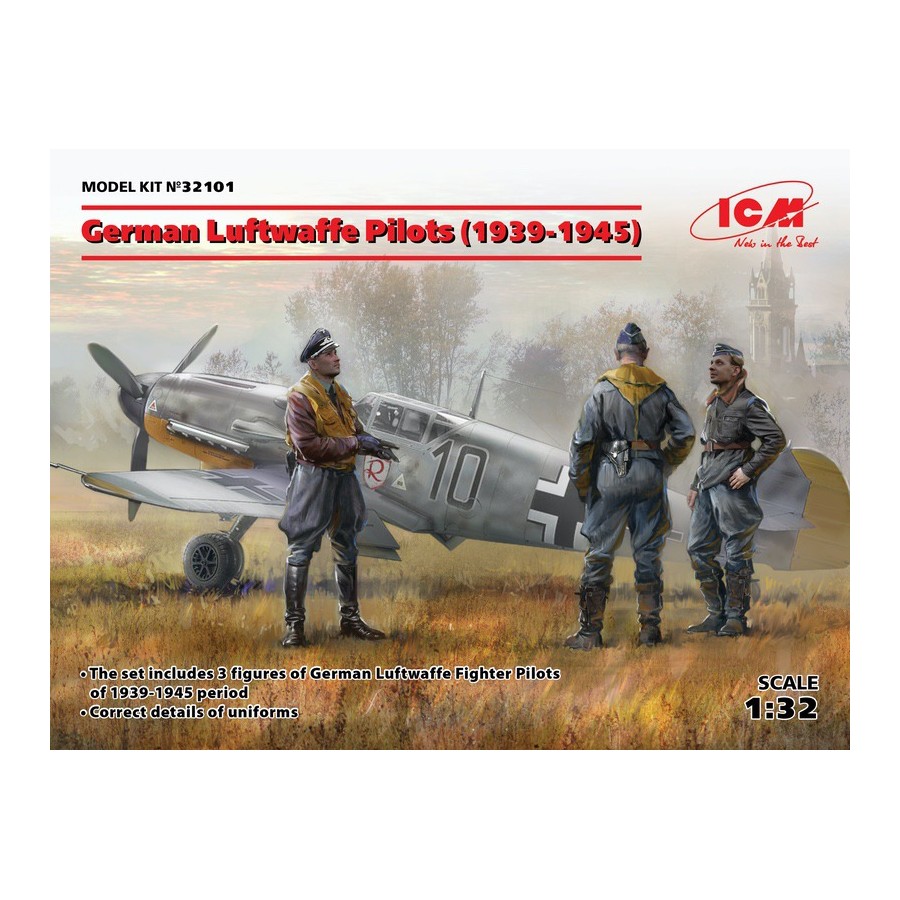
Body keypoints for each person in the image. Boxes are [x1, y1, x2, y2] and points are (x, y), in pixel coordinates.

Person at [567, 323, 695, 649]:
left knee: (599, 555)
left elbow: (583, 442)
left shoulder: (602, 391)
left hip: (611, 474)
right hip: (650, 473)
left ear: (617, 354)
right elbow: (685, 434)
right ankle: (650, 631)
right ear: (645, 354)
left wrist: (582, 481)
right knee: (648, 554)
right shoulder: (662, 391)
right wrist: (663, 463)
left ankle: (589, 633)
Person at [278, 328, 396, 648]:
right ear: (313, 362)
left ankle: (350, 620)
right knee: (301, 549)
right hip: (313, 480)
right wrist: (357, 443)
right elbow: (308, 447)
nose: (336, 357)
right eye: (329, 354)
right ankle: (294, 627)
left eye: (336, 352)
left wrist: (372, 443)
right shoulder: (300, 397)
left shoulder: (339, 393)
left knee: (347, 545)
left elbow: (353, 429)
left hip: (344, 479)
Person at [686, 342, 786, 637]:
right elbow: (709, 449)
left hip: (732, 487)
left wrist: (748, 470)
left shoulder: (750, 405)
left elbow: (775, 440)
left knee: (736, 552)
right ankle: (715, 613)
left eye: (719, 363)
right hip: (707, 485)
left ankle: (735, 618)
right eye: (711, 362)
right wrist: (695, 484)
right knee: (698, 550)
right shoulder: (714, 404)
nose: (711, 367)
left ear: (736, 371)